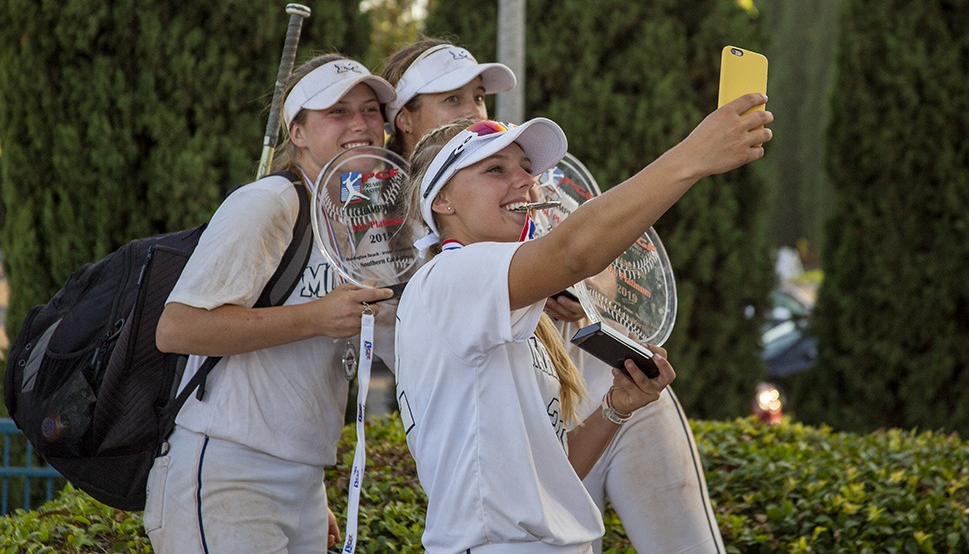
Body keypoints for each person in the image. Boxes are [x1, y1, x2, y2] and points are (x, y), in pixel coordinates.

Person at [385, 38, 729, 553]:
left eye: (524, 167)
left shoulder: (491, 294)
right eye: (494, 169)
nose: (525, 181)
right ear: (443, 203)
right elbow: (574, 253)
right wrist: (691, 159)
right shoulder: (450, 276)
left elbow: (553, 475)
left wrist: (617, 404)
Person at [144, 54, 397, 554]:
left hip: (304, 479)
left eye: (370, 111)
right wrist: (316, 317)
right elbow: (176, 328)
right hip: (228, 472)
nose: (361, 125)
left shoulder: (364, 224)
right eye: (337, 112)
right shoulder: (269, 202)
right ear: (298, 132)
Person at [381, 37, 514, 159]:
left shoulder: (515, 179)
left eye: (478, 98)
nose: (476, 113)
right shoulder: (365, 183)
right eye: (452, 99)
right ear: (405, 120)